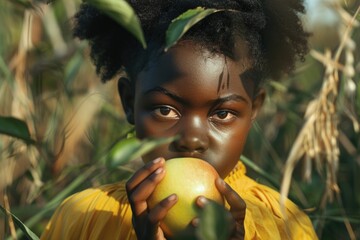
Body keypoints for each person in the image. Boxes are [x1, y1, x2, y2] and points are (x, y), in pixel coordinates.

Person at [41, 0, 318, 239]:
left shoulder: (283, 226)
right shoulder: (86, 220)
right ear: (129, 102)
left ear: (254, 109)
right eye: (165, 110)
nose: (192, 139)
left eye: (222, 114)